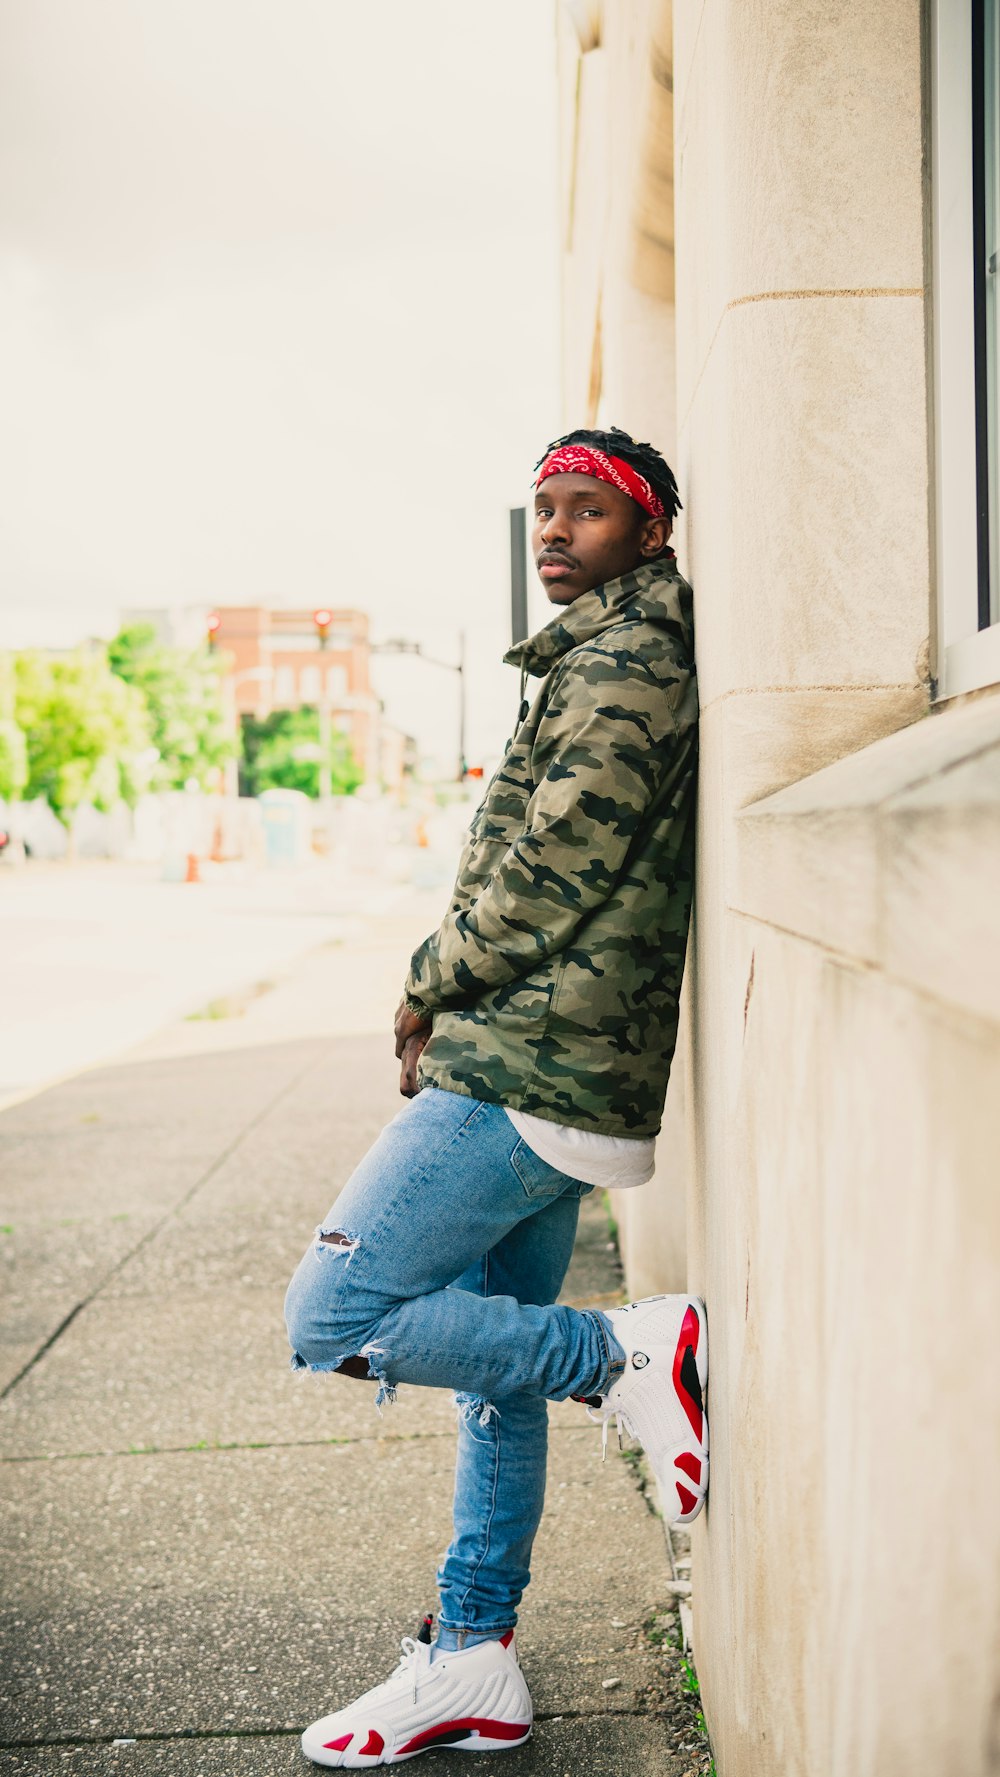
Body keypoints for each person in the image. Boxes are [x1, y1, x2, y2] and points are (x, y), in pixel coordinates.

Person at [284, 426, 707, 1768]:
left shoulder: (630, 666)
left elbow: (547, 872)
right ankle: (474, 1657)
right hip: (537, 1048)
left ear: (651, 535)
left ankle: (632, 1357)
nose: (556, 530)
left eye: (590, 511)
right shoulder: (597, 655)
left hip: (535, 1062)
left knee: (336, 1308)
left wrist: (425, 984)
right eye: (545, 509)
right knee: (491, 1373)